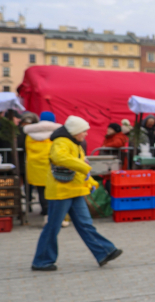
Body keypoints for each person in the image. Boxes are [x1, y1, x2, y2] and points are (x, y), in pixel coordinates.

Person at [31, 116, 123, 271]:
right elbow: (61, 158)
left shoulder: (75, 143)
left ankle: (104, 251)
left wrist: (91, 183)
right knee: (53, 227)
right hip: (61, 192)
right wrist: (85, 169)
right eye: (83, 131)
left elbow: (81, 169)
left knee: (85, 224)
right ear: (74, 131)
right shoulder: (61, 142)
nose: (86, 134)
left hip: (75, 190)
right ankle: (41, 261)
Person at [24, 112, 61, 220]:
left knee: (41, 190)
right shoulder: (56, 134)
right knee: (54, 190)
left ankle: (45, 210)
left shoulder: (30, 134)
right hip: (51, 165)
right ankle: (52, 213)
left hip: (35, 166)